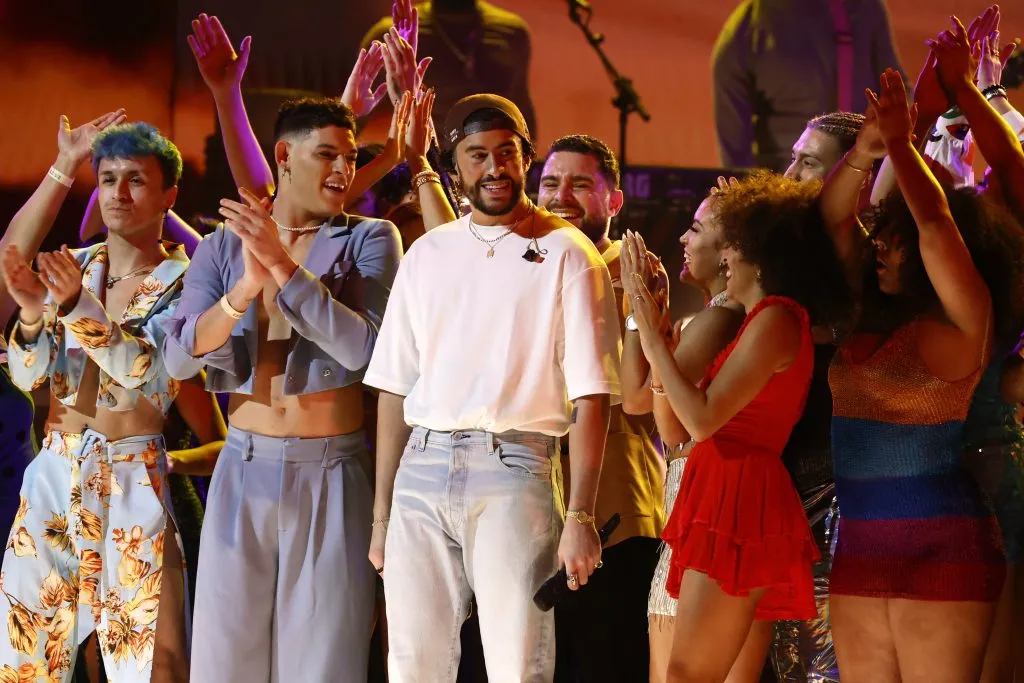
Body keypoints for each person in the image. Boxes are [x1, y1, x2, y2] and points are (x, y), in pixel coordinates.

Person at [163, 18, 403, 683]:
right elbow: (180, 361)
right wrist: (244, 285)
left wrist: (284, 267)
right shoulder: (220, 246)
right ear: (285, 158)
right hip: (243, 471)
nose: (345, 169)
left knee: (321, 662)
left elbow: (365, 352)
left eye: (352, 157)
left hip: (332, 471)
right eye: (328, 154)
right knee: (225, 661)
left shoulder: (369, 239)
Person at [363, 93, 620, 681]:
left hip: (515, 464)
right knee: (412, 662)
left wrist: (580, 514)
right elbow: (394, 389)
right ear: (455, 168)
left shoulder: (569, 253)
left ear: (527, 158)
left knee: (517, 660)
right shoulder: (427, 253)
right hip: (421, 467)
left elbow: (592, 397)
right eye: (478, 155)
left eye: (508, 153)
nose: (495, 168)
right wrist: (381, 519)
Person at [821, 62, 1024, 682]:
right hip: (858, 547)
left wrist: (907, 143)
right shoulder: (865, 313)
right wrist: (866, 148)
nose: (877, 245)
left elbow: (935, 222)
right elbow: (832, 223)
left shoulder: (969, 319)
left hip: (943, 545)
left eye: (891, 237)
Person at [623, 170, 852, 683]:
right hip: (724, 484)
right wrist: (655, 328)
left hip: (738, 493)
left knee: (688, 672)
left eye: (729, 244)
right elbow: (678, 421)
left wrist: (647, 324)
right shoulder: (762, 317)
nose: (722, 258)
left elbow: (703, 420)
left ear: (752, 250)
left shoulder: (777, 317)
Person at [0, 121, 191, 681]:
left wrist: (75, 306)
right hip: (54, 473)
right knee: (26, 655)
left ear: (168, 196)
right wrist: (33, 316)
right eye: (107, 179)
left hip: (131, 475)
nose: (118, 193)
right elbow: (30, 376)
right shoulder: (75, 265)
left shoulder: (185, 277)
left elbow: (149, 375)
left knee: (149, 660)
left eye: (135, 179)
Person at [533, 133, 666, 683]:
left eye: (579, 184)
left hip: (616, 515)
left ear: (614, 201)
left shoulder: (632, 272)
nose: (560, 195)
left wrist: (640, 309)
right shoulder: (525, 266)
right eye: (549, 183)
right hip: (525, 505)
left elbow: (637, 396)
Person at [633, 184, 746, 683]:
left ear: (730, 253)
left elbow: (673, 426)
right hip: (693, 506)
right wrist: (647, 326)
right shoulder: (704, 316)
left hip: (704, 509)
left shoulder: (723, 316)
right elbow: (636, 397)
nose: (682, 237)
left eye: (696, 228)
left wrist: (646, 325)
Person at [712, 0, 903, 172]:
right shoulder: (746, 28)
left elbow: (896, 91)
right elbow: (735, 151)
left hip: (859, 173)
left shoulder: (863, 7)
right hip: (788, 185)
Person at [361, 0, 537, 137]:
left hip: (491, 167)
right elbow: (357, 117)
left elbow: (522, 109)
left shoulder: (513, 33)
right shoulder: (392, 35)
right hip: (420, 167)